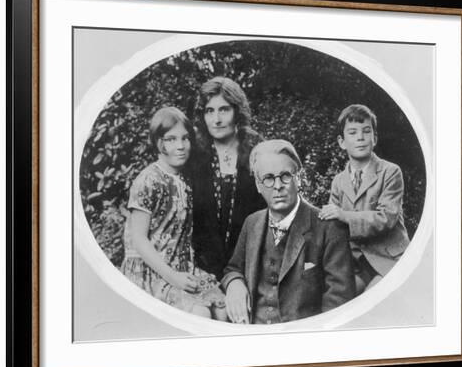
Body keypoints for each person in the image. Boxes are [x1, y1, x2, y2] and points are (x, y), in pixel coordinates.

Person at [221, 140, 355, 324]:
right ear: (258, 186)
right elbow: (233, 269)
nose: (277, 186)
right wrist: (234, 283)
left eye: (285, 176)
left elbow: (339, 300)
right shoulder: (251, 223)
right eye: (268, 178)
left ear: (298, 178)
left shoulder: (329, 228)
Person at [120, 107, 227, 320]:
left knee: (223, 308)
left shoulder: (186, 179)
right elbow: (139, 240)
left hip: (183, 267)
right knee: (200, 314)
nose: (180, 146)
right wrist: (172, 277)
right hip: (153, 270)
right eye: (170, 139)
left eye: (185, 138)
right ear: (159, 143)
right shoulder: (148, 181)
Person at [319, 104, 410, 294]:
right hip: (355, 264)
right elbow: (333, 228)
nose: (360, 138)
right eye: (352, 132)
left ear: (374, 139)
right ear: (342, 142)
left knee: (371, 299)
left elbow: (385, 218)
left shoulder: (390, 172)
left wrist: (343, 215)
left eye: (366, 131)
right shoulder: (338, 181)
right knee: (335, 297)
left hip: (388, 260)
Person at [191, 77, 266, 281]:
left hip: (251, 263)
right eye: (209, 111)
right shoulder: (195, 157)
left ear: (237, 112)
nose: (216, 119)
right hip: (203, 267)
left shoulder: (257, 153)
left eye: (223, 109)